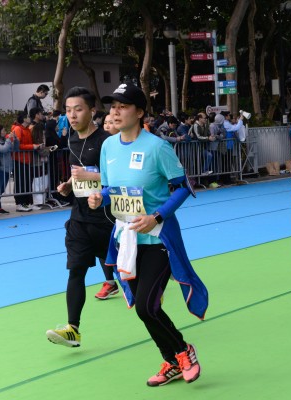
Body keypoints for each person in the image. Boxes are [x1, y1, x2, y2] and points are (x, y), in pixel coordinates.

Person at [89, 82, 207, 386]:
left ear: (140, 112)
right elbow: (110, 187)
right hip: (126, 240)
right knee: (146, 310)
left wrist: (156, 215)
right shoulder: (108, 147)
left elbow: (183, 187)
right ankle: (172, 361)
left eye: (123, 106)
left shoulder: (157, 147)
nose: (116, 112)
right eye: (113, 106)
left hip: (158, 238)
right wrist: (100, 196)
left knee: (146, 306)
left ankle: (184, 351)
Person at [45, 87, 118, 349]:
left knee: (129, 273)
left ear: (92, 111)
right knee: (76, 270)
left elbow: (119, 177)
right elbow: (80, 172)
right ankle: (72, 329)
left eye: (78, 109)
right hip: (79, 219)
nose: (72, 115)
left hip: (107, 219)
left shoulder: (107, 141)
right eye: (68, 110)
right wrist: (68, 184)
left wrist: (93, 177)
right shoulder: (73, 140)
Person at [11, 111, 41, 212]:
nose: (29, 118)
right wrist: (32, 146)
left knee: (27, 182)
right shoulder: (18, 129)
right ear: (24, 119)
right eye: (27, 117)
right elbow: (18, 146)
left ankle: (27, 203)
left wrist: (35, 146)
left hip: (27, 160)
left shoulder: (26, 129)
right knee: (20, 182)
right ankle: (19, 203)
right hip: (19, 160)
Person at [0, 125, 19, 214]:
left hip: (7, 167)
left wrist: (16, 140)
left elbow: (15, 148)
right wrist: (9, 139)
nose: (5, 131)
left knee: (1, 189)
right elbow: (3, 149)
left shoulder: (5, 141)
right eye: (3, 130)